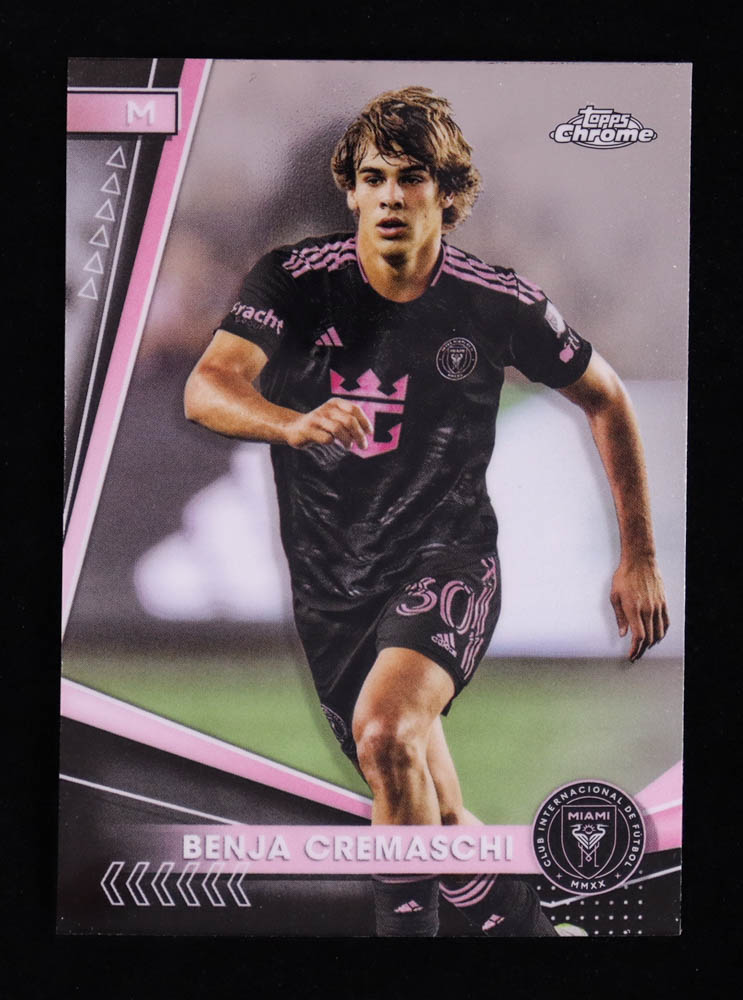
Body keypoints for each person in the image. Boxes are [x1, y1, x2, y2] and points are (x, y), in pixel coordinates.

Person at [184, 86, 669, 937]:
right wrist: (287, 421)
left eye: (411, 178)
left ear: (448, 194)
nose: (390, 197)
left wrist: (638, 557)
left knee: (386, 731)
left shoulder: (495, 301)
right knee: (430, 812)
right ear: (349, 191)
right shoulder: (293, 283)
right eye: (373, 178)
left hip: (444, 563)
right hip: (332, 584)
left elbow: (606, 397)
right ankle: (523, 927)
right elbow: (207, 387)